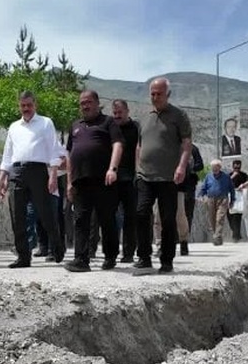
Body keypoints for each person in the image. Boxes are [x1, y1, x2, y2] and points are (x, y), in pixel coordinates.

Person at [0, 91, 65, 268]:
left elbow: (53, 149)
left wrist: (52, 174)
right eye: (23, 105)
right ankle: (23, 256)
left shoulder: (45, 123)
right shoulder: (13, 127)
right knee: (17, 215)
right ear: (19, 106)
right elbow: (8, 153)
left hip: (38, 171)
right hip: (17, 171)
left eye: (29, 105)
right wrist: (2, 175)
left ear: (35, 105)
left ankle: (57, 246)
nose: (26, 108)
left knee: (45, 213)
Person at [133, 77, 192, 274]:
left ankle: (167, 260)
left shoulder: (178, 116)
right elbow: (140, 145)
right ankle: (144, 257)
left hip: (169, 177)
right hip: (145, 176)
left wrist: (181, 167)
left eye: (159, 94)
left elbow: (186, 144)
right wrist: (137, 168)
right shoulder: (145, 117)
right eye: (153, 94)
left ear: (168, 94)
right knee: (141, 213)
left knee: (167, 219)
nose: (156, 97)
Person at [64, 90, 123, 272]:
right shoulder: (75, 126)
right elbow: (69, 154)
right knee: (81, 220)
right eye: (82, 103)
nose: (85, 106)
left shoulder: (108, 122)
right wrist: (69, 182)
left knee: (107, 220)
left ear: (97, 103)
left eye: (88, 102)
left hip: (103, 180)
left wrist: (112, 169)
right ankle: (81, 260)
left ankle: (110, 256)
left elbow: (118, 144)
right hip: (81, 180)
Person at [109, 98, 140, 263]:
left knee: (130, 217)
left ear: (127, 111)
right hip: (112, 179)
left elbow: (140, 150)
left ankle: (128, 252)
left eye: (120, 112)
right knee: (110, 216)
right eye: (115, 113)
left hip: (131, 178)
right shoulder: (111, 128)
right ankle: (111, 252)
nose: (117, 116)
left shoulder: (136, 128)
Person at [196, 159, 234, 245]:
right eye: (212, 168)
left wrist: (232, 200)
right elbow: (203, 188)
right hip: (211, 199)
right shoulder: (208, 177)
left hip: (223, 199)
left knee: (219, 218)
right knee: (212, 219)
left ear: (219, 167)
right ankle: (217, 236)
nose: (214, 169)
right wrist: (201, 195)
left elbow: (232, 189)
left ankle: (217, 236)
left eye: (215, 167)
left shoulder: (226, 177)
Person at [227, 159, 248, 241]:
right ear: (233, 167)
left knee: (237, 217)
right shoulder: (229, 175)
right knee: (230, 217)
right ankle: (236, 233)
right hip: (230, 197)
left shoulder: (243, 175)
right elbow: (225, 183)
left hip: (240, 198)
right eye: (235, 167)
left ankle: (236, 236)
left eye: (238, 168)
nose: (237, 169)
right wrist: (233, 176)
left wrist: (243, 185)